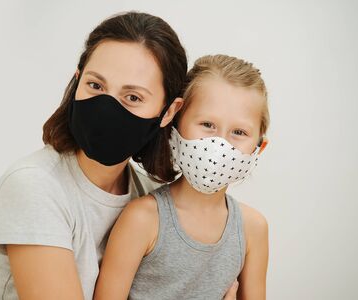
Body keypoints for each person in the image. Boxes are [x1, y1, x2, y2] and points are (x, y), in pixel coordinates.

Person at [0, 11, 188, 300]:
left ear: (168, 111)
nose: (107, 108)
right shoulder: (34, 187)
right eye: (95, 85)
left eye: (133, 97)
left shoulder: (151, 200)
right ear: (77, 81)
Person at [94, 54, 270, 300]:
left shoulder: (253, 229)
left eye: (239, 132)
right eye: (207, 124)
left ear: (258, 148)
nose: (219, 143)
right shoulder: (142, 219)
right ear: (175, 125)